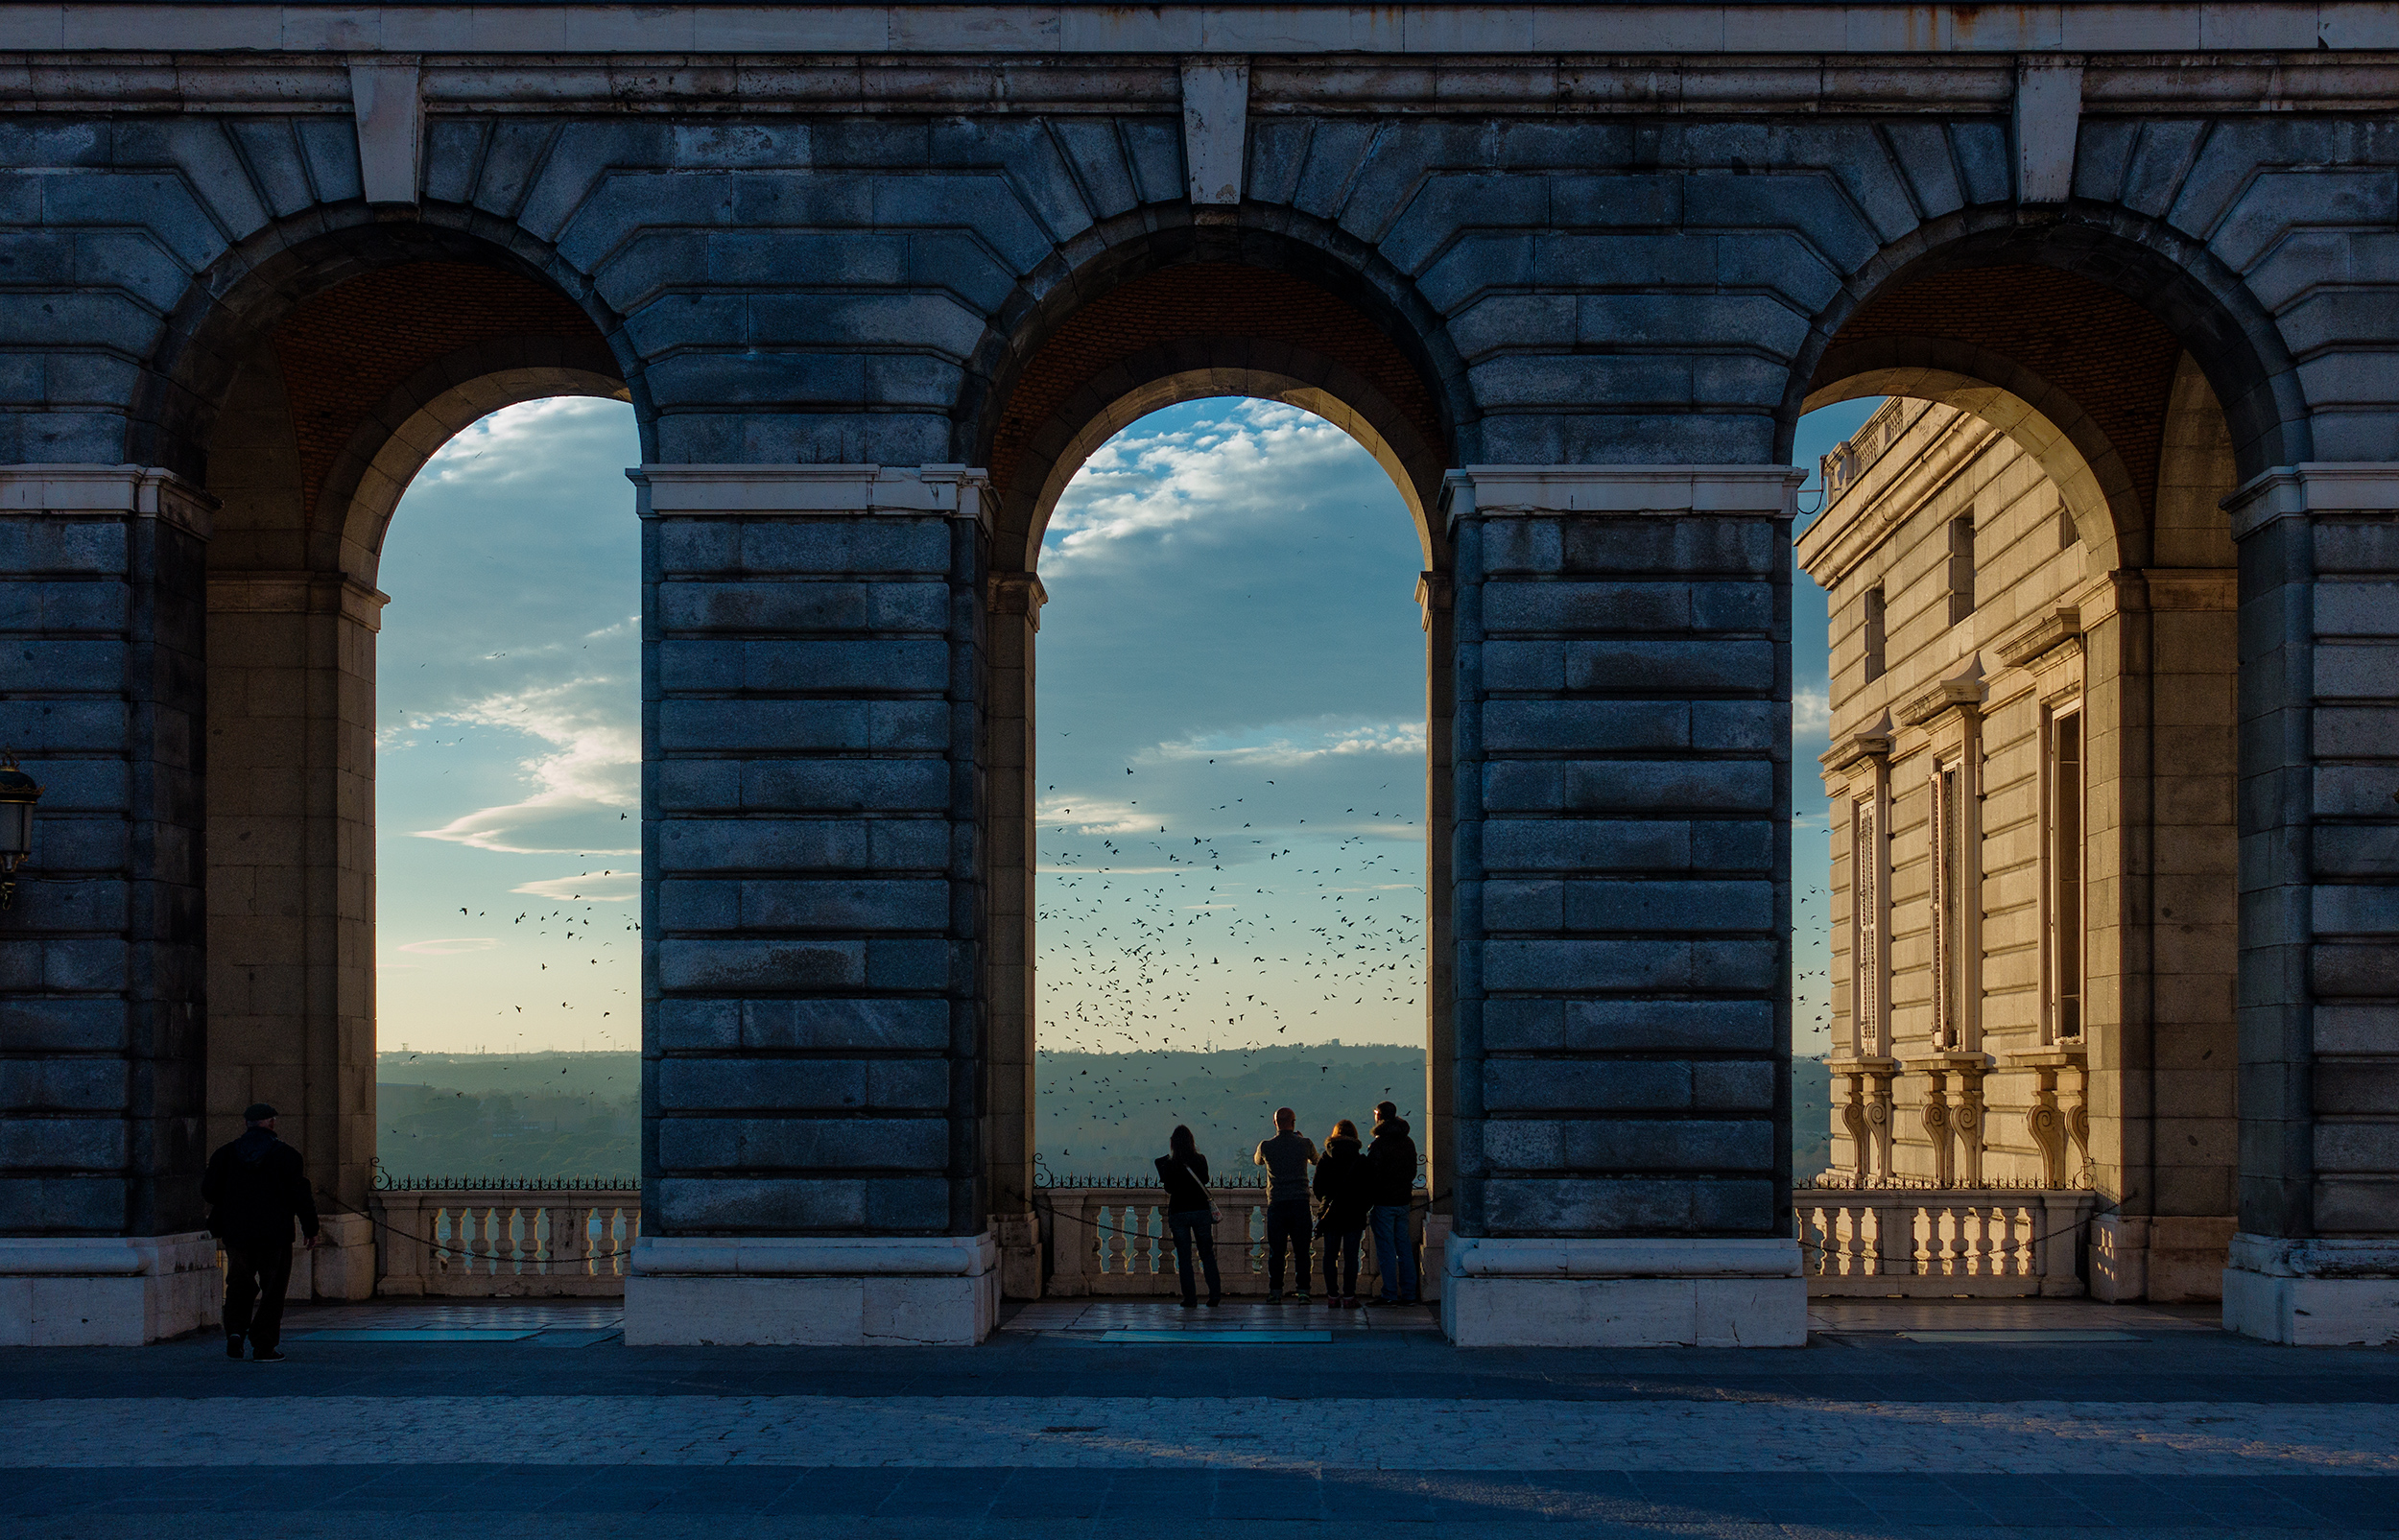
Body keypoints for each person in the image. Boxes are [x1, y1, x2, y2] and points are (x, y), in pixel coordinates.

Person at [202, 1102, 320, 1362]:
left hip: (237, 1233)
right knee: (273, 1290)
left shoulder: (224, 1154)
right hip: (275, 1234)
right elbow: (301, 1196)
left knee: (238, 1284)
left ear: (247, 1124)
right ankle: (264, 1345)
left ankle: (234, 1333)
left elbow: (209, 1192)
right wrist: (311, 1229)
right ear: (271, 1123)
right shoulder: (288, 1156)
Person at [1252, 1107, 1318, 1302]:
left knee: (1276, 1252)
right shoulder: (1305, 1144)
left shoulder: (1266, 1146)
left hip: (1277, 1204)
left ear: (1275, 1123)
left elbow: (1257, 1161)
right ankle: (1304, 1291)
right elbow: (1317, 1160)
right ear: (1294, 1122)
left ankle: (1275, 1292)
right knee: (1302, 1252)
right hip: (1300, 1203)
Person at [1155, 1125, 1223, 1308]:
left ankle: (1190, 1298)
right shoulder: (1200, 1160)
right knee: (1207, 1254)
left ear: (1173, 1144)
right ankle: (1214, 1294)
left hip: (1179, 1211)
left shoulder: (1170, 1164)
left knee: (1184, 1258)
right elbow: (1206, 1180)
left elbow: (1169, 1188)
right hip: (1200, 1210)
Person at [1365, 1100, 1420, 1306]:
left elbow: (1373, 1174)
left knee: (1386, 1249)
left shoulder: (1379, 1144)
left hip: (1384, 1201)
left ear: (1378, 1116)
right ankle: (1409, 1293)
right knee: (1404, 1248)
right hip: (1403, 1200)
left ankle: (1389, 1293)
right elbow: (1413, 1171)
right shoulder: (1408, 1142)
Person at [1312, 1118, 1372, 1308]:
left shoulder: (1325, 1159)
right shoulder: (1360, 1160)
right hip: (1354, 1214)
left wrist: (1327, 1201)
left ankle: (1332, 1295)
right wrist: (1361, 1206)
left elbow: (1317, 1187)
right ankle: (1348, 1296)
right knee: (1351, 1256)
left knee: (1330, 1255)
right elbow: (1369, 1190)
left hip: (1332, 1215)